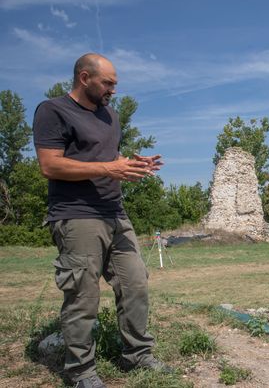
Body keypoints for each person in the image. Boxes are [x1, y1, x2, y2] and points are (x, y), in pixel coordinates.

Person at [33, 53, 170, 388]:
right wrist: (111, 168)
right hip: (76, 214)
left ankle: (137, 355)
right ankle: (81, 371)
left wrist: (131, 163)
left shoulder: (111, 115)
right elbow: (51, 166)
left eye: (115, 84)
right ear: (84, 78)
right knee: (83, 294)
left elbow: (105, 159)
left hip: (115, 212)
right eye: (108, 83)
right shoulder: (52, 110)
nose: (113, 90)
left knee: (135, 283)